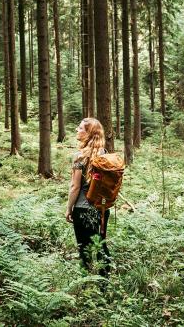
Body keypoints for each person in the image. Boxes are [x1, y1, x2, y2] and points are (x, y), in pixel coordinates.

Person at [65, 118, 111, 276]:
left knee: (84, 248)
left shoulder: (79, 157)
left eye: (80, 128)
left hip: (82, 209)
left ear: (89, 133)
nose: (77, 130)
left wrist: (68, 208)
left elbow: (75, 186)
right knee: (99, 244)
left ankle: (86, 284)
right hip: (101, 208)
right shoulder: (104, 155)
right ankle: (104, 281)